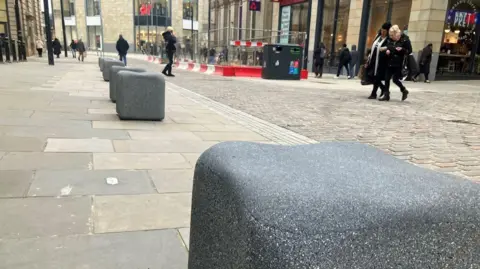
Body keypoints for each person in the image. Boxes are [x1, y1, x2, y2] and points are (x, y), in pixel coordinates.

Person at [380, 24, 411, 101]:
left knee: (395, 79)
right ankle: (386, 95)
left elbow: (409, 51)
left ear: (397, 34)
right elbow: (388, 47)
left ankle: (404, 90)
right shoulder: (390, 39)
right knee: (387, 78)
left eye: (392, 36)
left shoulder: (405, 39)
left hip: (398, 62)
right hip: (389, 61)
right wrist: (387, 51)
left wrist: (402, 50)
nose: (391, 37)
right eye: (390, 36)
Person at [366, 23, 391, 99]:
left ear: (388, 31)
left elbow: (388, 49)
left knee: (377, 77)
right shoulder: (378, 37)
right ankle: (383, 89)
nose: (383, 32)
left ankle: (374, 93)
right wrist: (368, 59)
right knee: (372, 76)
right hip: (373, 60)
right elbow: (373, 48)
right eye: (382, 30)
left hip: (381, 62)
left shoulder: (388, 40)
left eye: (385, 31)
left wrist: (384, 50)